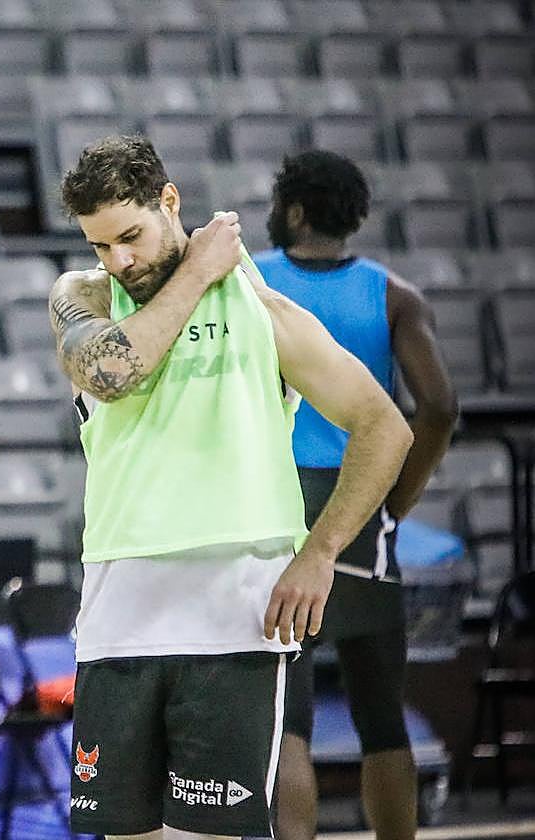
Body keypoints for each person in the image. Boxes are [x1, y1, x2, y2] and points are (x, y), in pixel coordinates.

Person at [49, 134, 414, 840]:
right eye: (100, 245)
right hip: (115, 620)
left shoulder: (261, 310)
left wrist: (319, 552)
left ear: (169, 202)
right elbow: (109, 374)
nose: (118, 259)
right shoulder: (82, 296)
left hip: (234, 620)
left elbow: (383, 426)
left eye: (129, 235)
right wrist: (196, 270)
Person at [256, 150, 458, 840]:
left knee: (289, 721)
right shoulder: (396, 296)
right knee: (381, 717)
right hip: (362, 505)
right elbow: (437, 406)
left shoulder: (249, 283)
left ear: (293, 210)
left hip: (277, 506)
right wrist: (393, 502)